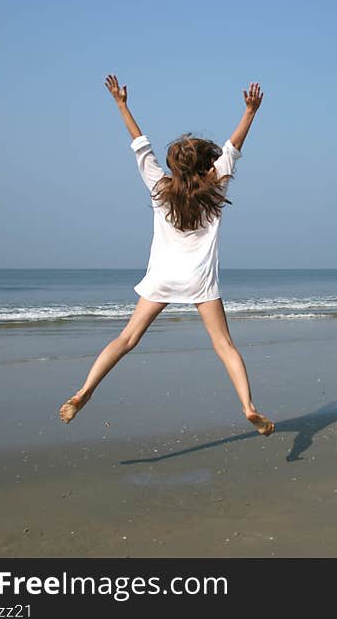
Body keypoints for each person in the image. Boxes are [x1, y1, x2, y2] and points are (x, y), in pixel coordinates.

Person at [58, 75, 275, 436]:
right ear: (207, 164)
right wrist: (250, 112)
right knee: (224, 345)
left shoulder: (160, 187)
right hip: (199, 280)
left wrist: (121, 104)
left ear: (175, 166)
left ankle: (84, 391)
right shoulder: (215, 187)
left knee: (127, 339)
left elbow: (140, 145)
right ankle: (249, 407)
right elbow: (233, 146)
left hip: (162, 277)